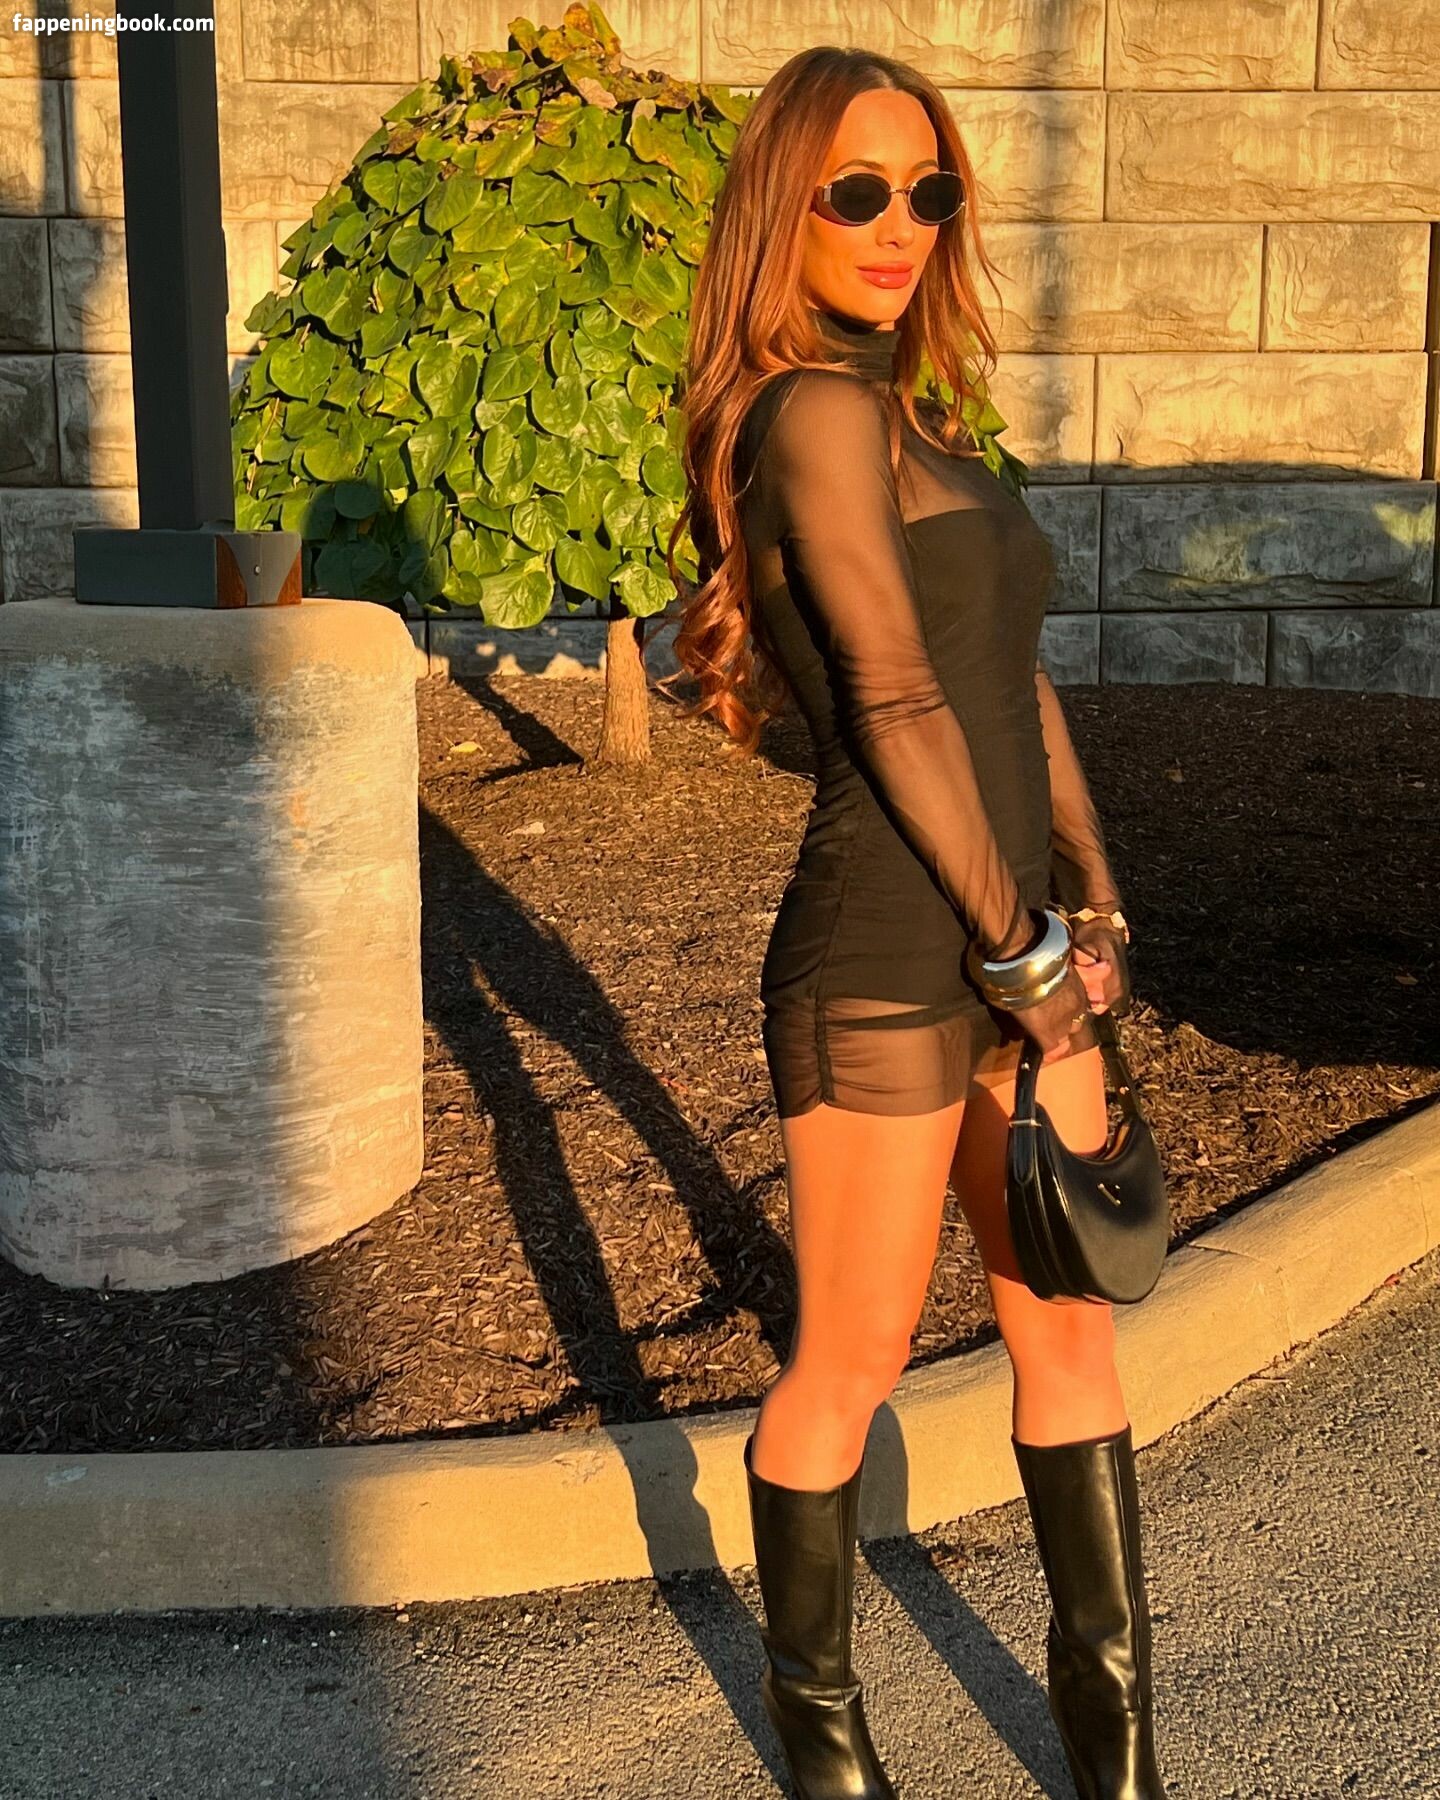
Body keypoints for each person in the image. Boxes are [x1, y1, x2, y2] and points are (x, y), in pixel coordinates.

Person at [663, 43, 1166, 1800]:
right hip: (885, 952)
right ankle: (826, 1755)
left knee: (1071, 1326)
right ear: (782, 211)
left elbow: (1013, 686)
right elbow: (886, 698)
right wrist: (1024, 957)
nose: (899, 223)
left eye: (928, 189)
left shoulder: (931, 429)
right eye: (857, 191)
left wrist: (1091, 897)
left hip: (1021, 942)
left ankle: (1117, 1761)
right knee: (856, 1355)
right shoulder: (805, 414)